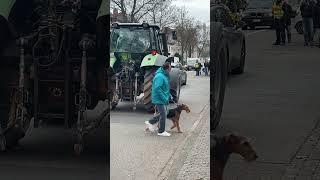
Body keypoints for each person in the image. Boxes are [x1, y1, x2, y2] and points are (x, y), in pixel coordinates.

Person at [145, 61, 172, 137]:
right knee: (163, 114)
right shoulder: (160, 76)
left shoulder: (164, 75)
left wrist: (169, 95)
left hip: (162, 98)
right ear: (166, 69)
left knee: (164, 112)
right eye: (170, 68)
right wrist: (164, 98)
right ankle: (161, 131)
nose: (171, 70)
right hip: (159, 98)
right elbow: (157, 89)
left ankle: (150, 122)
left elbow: (164, 87)